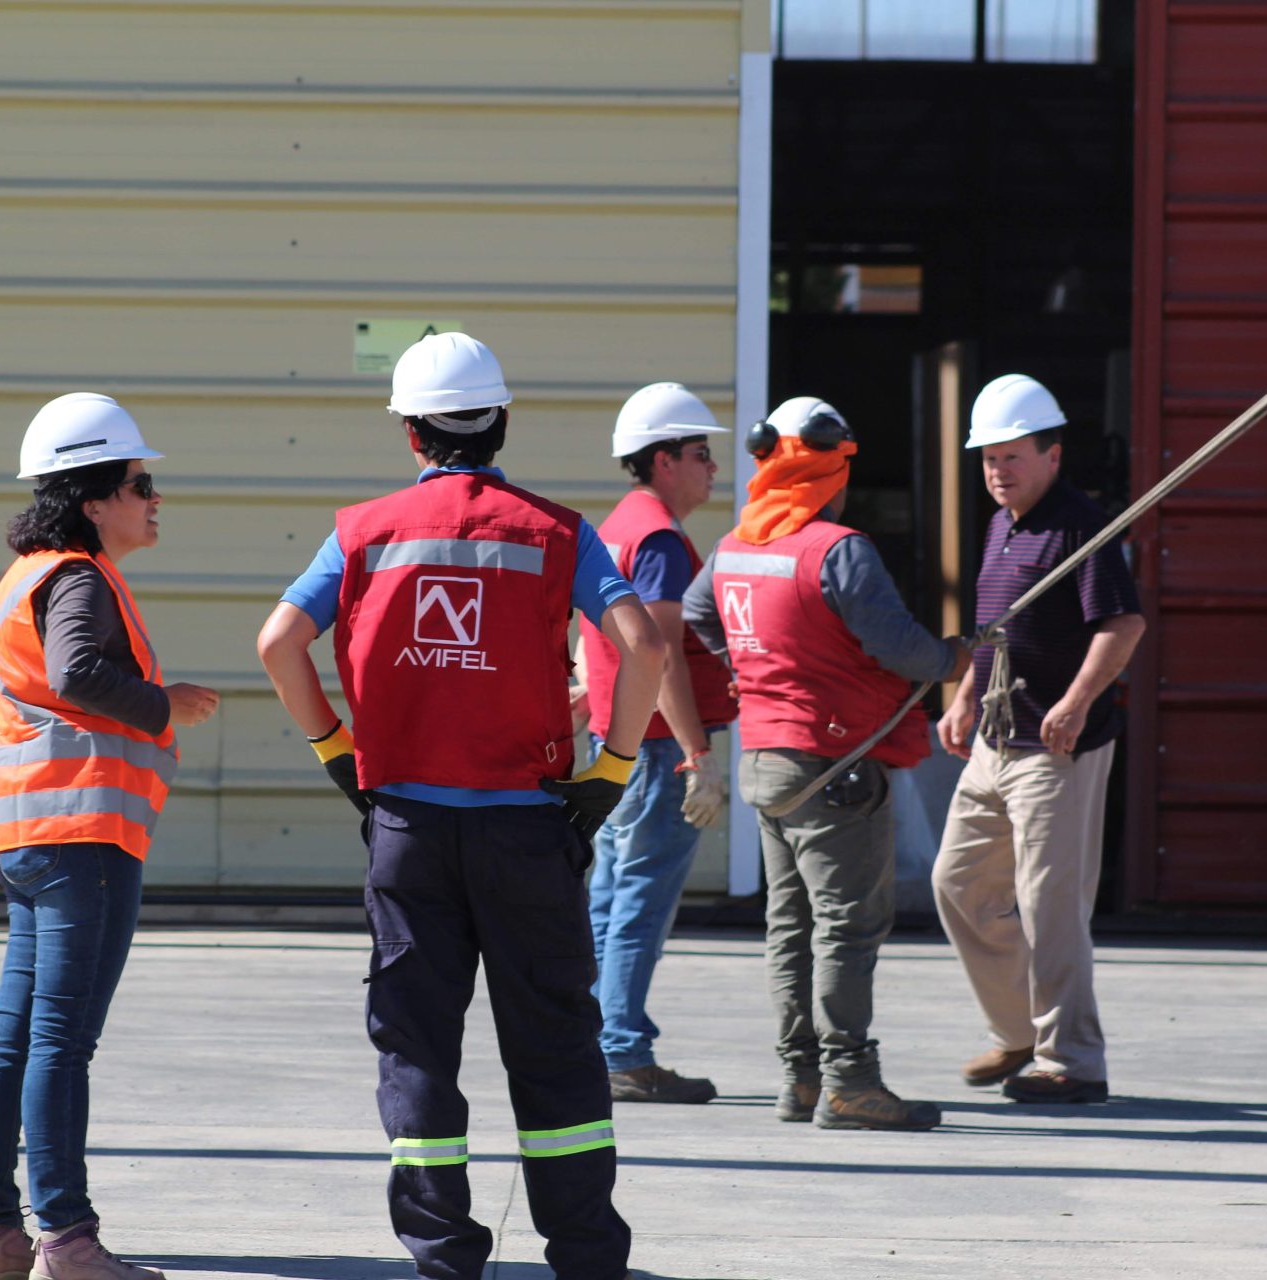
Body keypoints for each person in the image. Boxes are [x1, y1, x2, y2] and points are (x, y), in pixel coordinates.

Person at [256, 332, 663, 1280]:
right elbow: (641, 647)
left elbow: (280, 642)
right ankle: (587, 1256)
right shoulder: (560, 531)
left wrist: (335, 753)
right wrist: (609, 770)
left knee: (418, 1048)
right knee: (556, 1044)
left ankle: (443, 1256)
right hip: (528, 825)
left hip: (406, 828)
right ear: (501, 421)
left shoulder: (363, 530)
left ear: (411, 432)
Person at [0, 393, 220, 1280]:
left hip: (32, 838)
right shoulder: (77, 578)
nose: (153, 499)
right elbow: (79, 673)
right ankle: (67, 1238)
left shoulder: (31, 575)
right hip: (76, 841)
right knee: (60, 1040)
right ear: (94, 500)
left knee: (18, 1035)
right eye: (140, 484)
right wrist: (163, 705)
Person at [683, 397, 969, 1131]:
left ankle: (800, 1080)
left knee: (791, 927)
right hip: (836, 765)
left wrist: (752, 665)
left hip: (769, 765)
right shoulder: (838, 550)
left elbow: (698, 613)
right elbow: (899, 649)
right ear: (831, 470)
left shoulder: (736, 548)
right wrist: (953, 658)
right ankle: (850, 1081)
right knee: (845, 927)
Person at [930, 374, 1144, 1105]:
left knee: (1051, 906)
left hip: (1057, 748)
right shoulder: (1002, 525)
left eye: (1012, 456)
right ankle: (1018, 1031)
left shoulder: (1082, 526)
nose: (998, 470)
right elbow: (997, 633)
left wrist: (1080, 702)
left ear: (1053, 455)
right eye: (988, 457)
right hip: (996, 740)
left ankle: (1073, 1062)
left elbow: (1123, 625)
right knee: (956, 884)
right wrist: (961, 698)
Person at [577, 382, 737, 1104]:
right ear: (664, 459)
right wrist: (697, 754)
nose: (713, 469)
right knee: (639, 898)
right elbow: (662, 651)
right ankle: (623, 1052)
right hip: (654, 748)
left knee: (611, 897)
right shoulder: (663, 541)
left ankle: (602, 1038)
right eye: (702, 454)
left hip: (615, 742)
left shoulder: (616, 526)